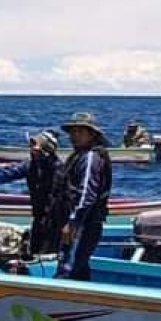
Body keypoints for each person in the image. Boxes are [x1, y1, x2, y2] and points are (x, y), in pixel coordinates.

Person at [0, 130, 65, 254]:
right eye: (32, 145)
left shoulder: (59, 169)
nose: (32, 148)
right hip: (39, 219)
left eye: (36, 145)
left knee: (49, 253)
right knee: (34, 252)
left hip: (57, 221)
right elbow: (4, 175)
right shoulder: (30, 166)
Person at [55, 112, 113, 281]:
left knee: (68, 268)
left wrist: (73, 222)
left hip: (84, 224)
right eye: (73, 132)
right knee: (79, 268)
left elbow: (87, 194)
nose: (74, 136)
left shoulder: (89, 158)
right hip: (81, 223)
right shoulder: (78, 156)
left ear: (92, 135)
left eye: (80, 132)